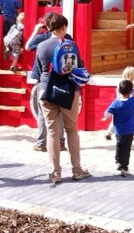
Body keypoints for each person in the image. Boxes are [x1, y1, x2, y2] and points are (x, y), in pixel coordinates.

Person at [36, 13, 91, 183]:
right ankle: (76, 169)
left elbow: (38, 71)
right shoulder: (71, 46)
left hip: (46, 90)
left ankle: (55, 172)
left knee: (52, 132)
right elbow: (79, 68)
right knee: (71, 130)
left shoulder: (41, 46)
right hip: (68, 91)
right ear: (63, 28)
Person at [24, 13, 66, 152]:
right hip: (62, 79)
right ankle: (60, 142)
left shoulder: (41, 40)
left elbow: (28, 46)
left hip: (44, 78)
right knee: (60, 111)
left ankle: (42, 143)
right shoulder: (66, 39)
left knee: (43, 113)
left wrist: (36, 30)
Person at [102, 79, 134, 177]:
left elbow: (106, 114)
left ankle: (118, 162)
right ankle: (124, 168)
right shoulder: (133, 101)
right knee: (126, 148)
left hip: (118, 129)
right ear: (130, 90)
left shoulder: (115, 103)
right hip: (129, 129)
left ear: (119, 90)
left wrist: (105, 117)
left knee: (119, 145)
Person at [105, 66, 134, 140]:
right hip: (127, 104)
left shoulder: (121, 83)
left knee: (115, 120)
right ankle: (124, 133)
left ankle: (109, 132)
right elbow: (131, 95)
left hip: (119, 104)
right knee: (127, 119)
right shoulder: (130, 85)